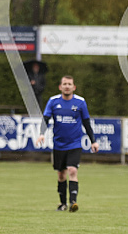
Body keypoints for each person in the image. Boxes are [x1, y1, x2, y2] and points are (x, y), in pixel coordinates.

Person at [36, 75, 99, 212]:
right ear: (60, 87)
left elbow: (87, 123)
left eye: (69, 84)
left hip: (75, 144)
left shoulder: (81, 102)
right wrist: (41, 133)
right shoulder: (53, 102)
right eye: (64, 84)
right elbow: (46, 119)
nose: (67, 86)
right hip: (59, 145)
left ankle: (73, 202)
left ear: (74, 87)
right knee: (61, 175)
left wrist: (93, 141)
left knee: (72, 170)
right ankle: (62, 203)